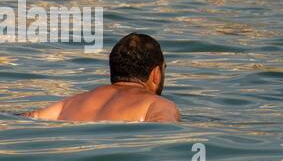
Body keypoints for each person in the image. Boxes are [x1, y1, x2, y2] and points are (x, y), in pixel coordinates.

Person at [26, 33, 179, 123]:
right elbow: (164, 131)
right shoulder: (158, 105)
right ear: (156, 74)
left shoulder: (69, 103)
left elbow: (28, 118)